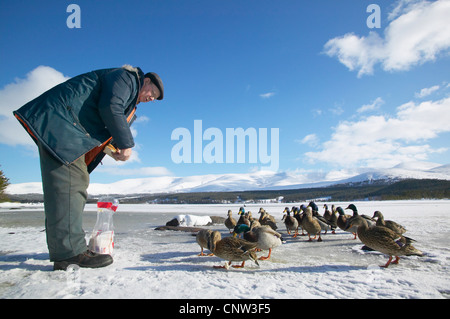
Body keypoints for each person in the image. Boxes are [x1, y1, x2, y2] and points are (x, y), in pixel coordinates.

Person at [13, 65, 164, 270]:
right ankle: (70, 253)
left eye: (154, 98)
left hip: (64, 127)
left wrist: (112, 147)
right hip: (63, 125)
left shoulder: (129, 97)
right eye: (152, 93)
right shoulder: (126, 78)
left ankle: (64, 249)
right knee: (71, 185)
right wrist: (127, 144)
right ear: (145, 81)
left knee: (67, 187)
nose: (151, 98)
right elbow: (111, 106)